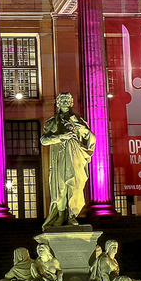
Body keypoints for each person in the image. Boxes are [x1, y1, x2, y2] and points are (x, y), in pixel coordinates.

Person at [40, 93, 96, 227]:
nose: (65, 102)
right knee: (60, 188)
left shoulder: (78, 120)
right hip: (59, 158)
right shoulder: (51, 122)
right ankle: (60, 215)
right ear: (57, 103)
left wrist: (80, 127)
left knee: (74, 187)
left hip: (75, 157)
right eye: (62, 100)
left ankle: (72, 215)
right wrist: (61, 136)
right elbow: (44, 140)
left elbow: (90, 137)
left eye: (68, 100)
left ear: (71, 103)